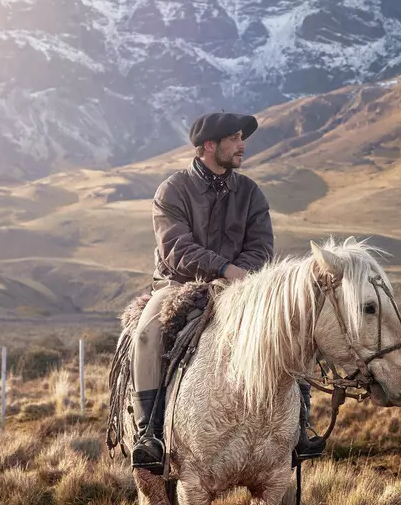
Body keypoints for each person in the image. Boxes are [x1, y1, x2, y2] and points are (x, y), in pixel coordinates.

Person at [130, 112, 326, 472]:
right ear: (210, 146)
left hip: (241, 287)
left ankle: (299, 427)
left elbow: (261, 246)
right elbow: (175, 249)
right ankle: (150, 435)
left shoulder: (250, 193)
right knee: (147, 334)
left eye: (241, 138)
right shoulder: (172, 190)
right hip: (180, 285)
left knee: (290, 330)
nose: (242, 145)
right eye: (235, 139)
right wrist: (222, 269)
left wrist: (240, 276)